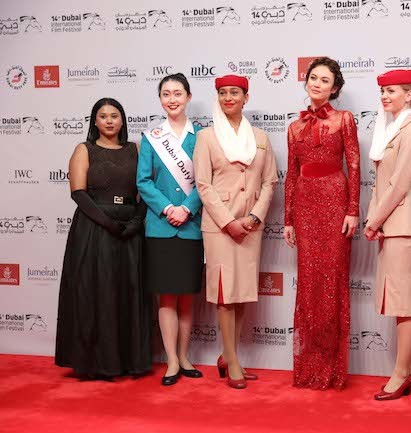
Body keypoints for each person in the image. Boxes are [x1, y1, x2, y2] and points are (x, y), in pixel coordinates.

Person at [55, 98, 151, 379]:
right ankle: (97, 363)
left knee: (128, 293)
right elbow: (78, 193)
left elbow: (146, 189)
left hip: (130, 231)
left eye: (114, 115)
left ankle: (127, 361)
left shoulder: (136, 149)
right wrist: (108, 223)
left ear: (123, 120)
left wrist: (136, 221)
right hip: (94, 230)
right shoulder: (84, 150)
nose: (109, 121)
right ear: (94, 121)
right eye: (103, 116)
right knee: (96, 293)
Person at [194, 75, 278, 389]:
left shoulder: (260, 137)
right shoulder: (206, 137)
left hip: (251, 226)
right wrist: (228, 222)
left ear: (246, 97)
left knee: (241, 294)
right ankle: (232, 362)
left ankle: (229, 356)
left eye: (234, 92)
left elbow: (270, 181)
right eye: (222, 93)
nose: (228, 97)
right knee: (225, 296)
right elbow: (203, 185)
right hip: (220, 228)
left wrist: (255, 216)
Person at [283, 57, 360, 390]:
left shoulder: (344, 119)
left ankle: (331, 369)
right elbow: (290, 174)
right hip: (304, 205)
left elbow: (354, 165)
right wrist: (287, 219)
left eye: (324, 80)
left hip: (335, 202)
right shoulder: (294, 126)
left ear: (335, 88)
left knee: (331, 283)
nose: (317, 84)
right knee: (308, 283)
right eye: (313, 78)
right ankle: (307, 368)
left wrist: (353, 210)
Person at [137, 73, 204, 386]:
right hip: (161, 227)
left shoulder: (202, 136)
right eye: (166, 94)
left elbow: (207, 180)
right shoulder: (151, 137)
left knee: (187, 296)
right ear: (160, 99)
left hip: (192, 226)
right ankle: (172, 361)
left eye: (178, 93)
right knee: (166, 298)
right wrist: (168, 208)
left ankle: (185, 356)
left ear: (188, 97)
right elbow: (143, 182)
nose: (172, 99)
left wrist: (187, 208)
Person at [364, 69, 411, 401]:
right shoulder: (390, 130)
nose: (385, 96)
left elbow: (400, 184)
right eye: (383, 91)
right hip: (391, 226)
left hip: (402, 225)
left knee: (405, 303)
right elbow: (380, 184)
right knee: (401, 302)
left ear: (409, 94)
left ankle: (401, 374)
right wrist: (374, 220)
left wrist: (373, 221)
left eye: (392, 91)